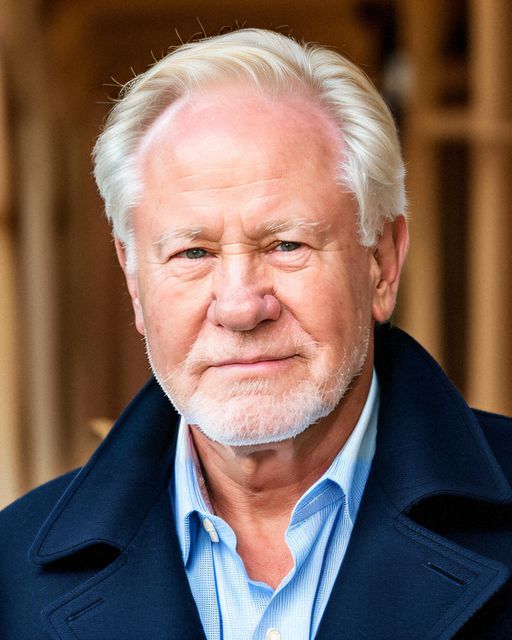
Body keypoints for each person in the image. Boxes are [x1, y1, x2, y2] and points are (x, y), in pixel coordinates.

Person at [1, 28, 511, 640]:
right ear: (135, 282)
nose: (242, 306)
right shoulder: (10, 579)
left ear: (381, 262)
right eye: (193, 253)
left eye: (287, 245)